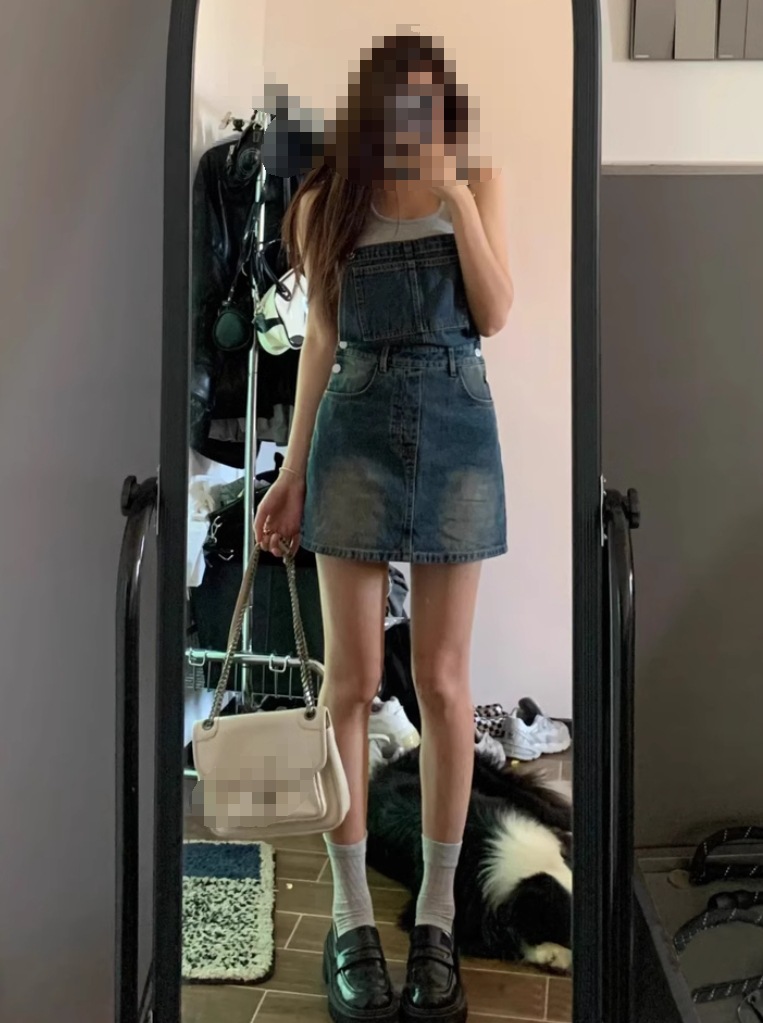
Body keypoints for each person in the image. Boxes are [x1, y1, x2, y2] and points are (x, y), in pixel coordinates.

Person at [254, 32, 513, 1023]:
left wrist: (455, 201)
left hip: (457, 430)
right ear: (371, 109)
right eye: (398, 102)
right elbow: (320, 340)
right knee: (351, 684)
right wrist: (288, 475)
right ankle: (353, 919)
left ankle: (436, 919)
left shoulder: (476, 180)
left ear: (446, 109)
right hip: (354, 432)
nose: (414, 118)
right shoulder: (328, 200)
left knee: (442, 682)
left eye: (429, 101)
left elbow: (494, 312)